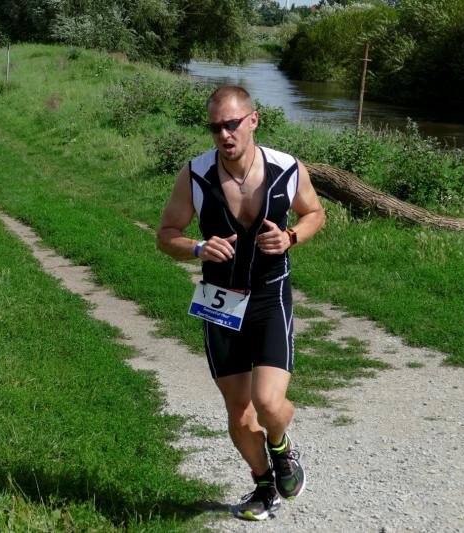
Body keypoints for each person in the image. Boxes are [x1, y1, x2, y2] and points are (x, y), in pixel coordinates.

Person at [156, 85, 325, 521]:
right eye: (215, 128)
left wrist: (290, 237)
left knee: (269, 404)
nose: (224, 135)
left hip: (270, 295)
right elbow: (166, 235)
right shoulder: (195, 175)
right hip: (220, 300)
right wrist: (197, 248)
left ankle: (281, 448)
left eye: (232, 124)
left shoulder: (287, 168)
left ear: (253, 120)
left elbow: (315, 214)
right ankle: (264, 485)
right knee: (239, 410)